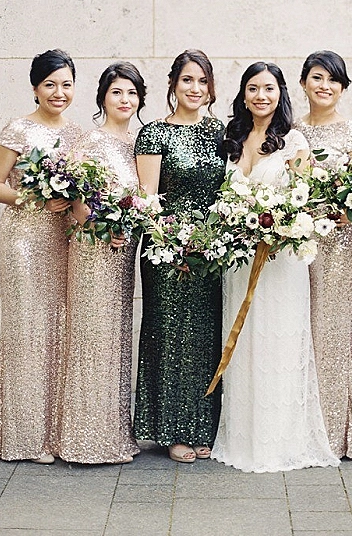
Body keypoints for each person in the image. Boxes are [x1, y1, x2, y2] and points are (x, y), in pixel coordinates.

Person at [211, 61, 339, 473]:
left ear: (281, 93)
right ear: (243, 94)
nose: (260, 96)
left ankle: (279, 439)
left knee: (278, 340)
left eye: (268, 88)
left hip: (280, 260)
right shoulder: (233, 138)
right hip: (239, 260)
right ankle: (243, 436)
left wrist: (278, 226)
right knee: (245, 339)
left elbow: (304, 198)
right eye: (253, 88)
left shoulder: (293, 141)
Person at [0, 49, 82, 464]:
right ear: (35, 88)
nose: (59, 93)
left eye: (66, 85)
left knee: (56, 330)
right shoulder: (18, 129)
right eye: (50, 85)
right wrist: (35, 198)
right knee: (27, 330)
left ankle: (52, 433)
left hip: (62, 240)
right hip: (23, 240)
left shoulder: (78, 135)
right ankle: (23, 438)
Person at [133, 49, 225, 463]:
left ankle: (203, 425)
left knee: (204, 337)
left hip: (210, 251)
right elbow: (148, 199)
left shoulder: (220, 132)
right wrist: (171, 241)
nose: (195, 88)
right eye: (188, 79)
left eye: (202, 81)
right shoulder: (155, 133)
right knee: (169, 336)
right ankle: (170, 430)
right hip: (166, 251)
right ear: (173, 84)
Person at [57, 62, 146, 464]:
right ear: (102, 98)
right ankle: (84, 439)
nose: (125, 100)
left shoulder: (136, 145)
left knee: (114, 337)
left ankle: (111, 434)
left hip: (122, 254)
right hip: (93, 251)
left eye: (132, 93)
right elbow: (77, 201)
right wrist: (101, 227)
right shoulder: (91, 141)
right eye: (117, 92)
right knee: (91, 336)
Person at [294, 50, 352, 459]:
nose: (324, 86)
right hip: (297, 243)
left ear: (342, 88)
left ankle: (333, 432)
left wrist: (343, 209)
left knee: (332, 328)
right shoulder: (291, 131)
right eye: (317, 78)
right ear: (303, 82)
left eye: (333, 80)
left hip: (340, 243)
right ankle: (298, 428)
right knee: (299, 327)